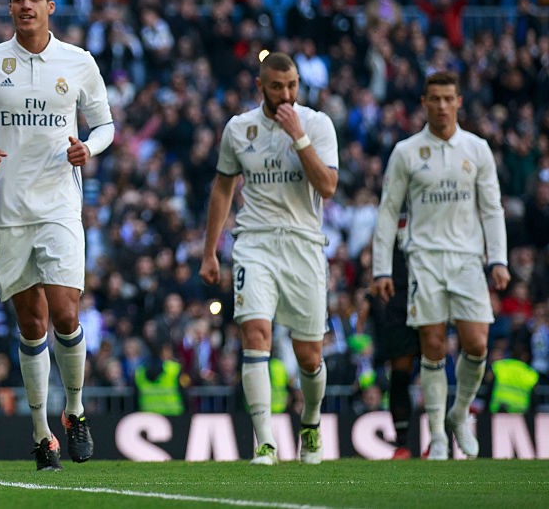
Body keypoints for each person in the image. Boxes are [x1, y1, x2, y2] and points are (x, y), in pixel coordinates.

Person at [0, 0, 114, 471]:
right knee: (31, 323)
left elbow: (106, 123)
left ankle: (75, 410)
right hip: (10, 210)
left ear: (50, 7)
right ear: (9, 8)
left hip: (60, 206)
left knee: (66, 312)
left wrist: (88, 147)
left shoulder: (78, 62)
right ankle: (41, 432)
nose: (26, 6)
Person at [199, 50, 339, 466]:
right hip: (254, 242)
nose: (286, 94)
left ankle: (310, 424)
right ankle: (265, 442)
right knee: (255, 333)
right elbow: (223, 188)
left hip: (303, 244)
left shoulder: (317, 124)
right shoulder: (239, 128)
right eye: (277, 86)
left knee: (309, 355)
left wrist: (299, 137)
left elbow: (328, 186)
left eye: (292, 85)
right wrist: (210, 251)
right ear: (261, 86)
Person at [371, 70, 510, 460]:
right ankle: (436, 437)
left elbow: (492, 209)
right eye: (435, 98)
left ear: (459, 101)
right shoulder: (407, 151)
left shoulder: (477, 149)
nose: (443, 105)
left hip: (468, 260)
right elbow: (387, 212)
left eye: (449, 98)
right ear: (424, 102)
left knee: (477, 343)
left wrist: (497, 259)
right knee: (431, 346)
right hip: (424, 259)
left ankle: (459, 413)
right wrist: (382, 269)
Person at [367, 217, 420, 460]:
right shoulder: (393, 196)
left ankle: (439, 437)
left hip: (431, 285)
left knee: (434, 361)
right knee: (399, 371)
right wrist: (379, 274)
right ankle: (402, 443)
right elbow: (380, 236)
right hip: (396, 292)